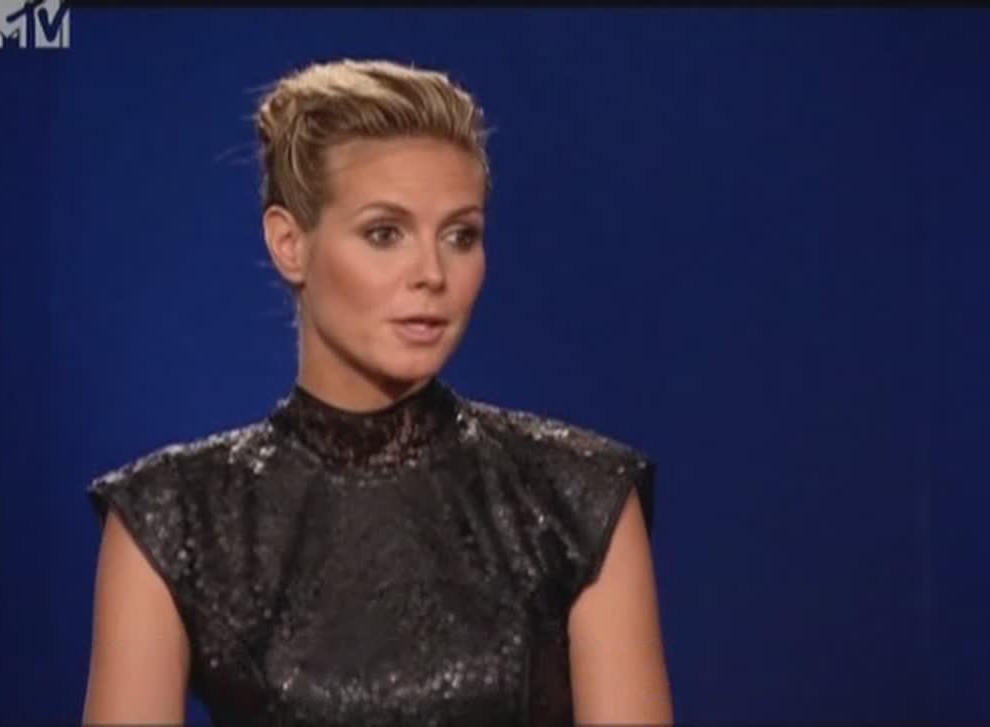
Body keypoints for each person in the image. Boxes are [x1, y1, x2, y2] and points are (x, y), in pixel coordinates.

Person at [81, 58, 672, 726]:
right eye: (385, 233)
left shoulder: (574, 499)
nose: (432, 273)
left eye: (460, 235)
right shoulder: (178, 516)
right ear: (289, 243)